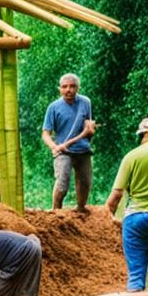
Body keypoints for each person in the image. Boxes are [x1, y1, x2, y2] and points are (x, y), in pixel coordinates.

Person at [103, 117, 148, 296]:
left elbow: (117, 194)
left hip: (136, 218)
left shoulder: (132, 156)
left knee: (136, 274)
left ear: (143, 134)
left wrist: (109, 213)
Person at [42, 73, 97, 211]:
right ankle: (56, 212)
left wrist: (90, 130)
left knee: (85, 183)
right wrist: (53, 146)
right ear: (59, 89)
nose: (68, 90)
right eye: (64, 86)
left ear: (78, 88)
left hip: (83, 149)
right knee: (62, 184)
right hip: (63, 151)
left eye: (72, 86)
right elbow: (45, 133)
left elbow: (88, 125)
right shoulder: (53, 107)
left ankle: (80, 210)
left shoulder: (86, 102)